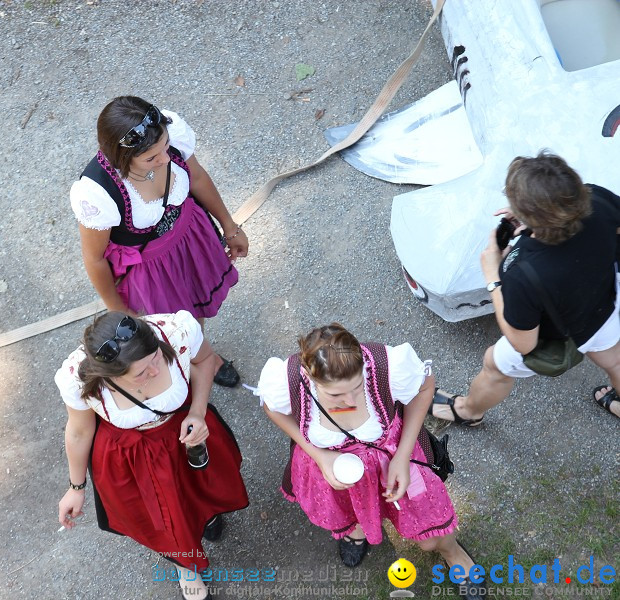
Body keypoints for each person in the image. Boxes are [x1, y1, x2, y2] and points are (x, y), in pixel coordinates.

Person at [255, 323, 482, 599]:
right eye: (335, 395)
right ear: (311, 379)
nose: (349, 400)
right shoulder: (288, 381)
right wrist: (318, 454)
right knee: (350, 507)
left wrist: (401, 456)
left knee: (430, 533)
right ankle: (359, 528)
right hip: (338, 470)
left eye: (356, 387)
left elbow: (425, 388)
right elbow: (271, 407)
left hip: (391, 462)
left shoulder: (387, 365)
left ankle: (452, 551)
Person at [55, 310, 249, 600]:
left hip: (182, 432)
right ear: (111, 378)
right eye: (142, 373)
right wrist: (76, 487)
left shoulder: (176, 330)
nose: (156, 370)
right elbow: (80, 432)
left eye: (156, 357)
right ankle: (186, 567)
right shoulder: (77, 379)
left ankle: (204, 518)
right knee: (162, 518)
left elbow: (205, 360)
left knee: (201, 488)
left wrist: (198, 411)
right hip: (132, 456)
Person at [430, 152, 620, 425]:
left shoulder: (523, 275)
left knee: (494, 365)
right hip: (604, 308)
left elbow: (523, 342)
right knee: (615, 361)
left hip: (559, 332)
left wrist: (493, 278)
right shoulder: (597, 200)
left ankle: (468, 411)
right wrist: (539, 219)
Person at [70, 96, 247, 387]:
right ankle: (189, 361)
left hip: (191, 238)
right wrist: (119, 310)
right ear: (122, 159)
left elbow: (198, 177)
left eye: (165, 147)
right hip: (151, 268)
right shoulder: (98, 193)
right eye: (151, 158)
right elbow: (95, 258)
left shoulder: (167, 134)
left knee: (195, 305)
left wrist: (229, 226)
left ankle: (202, 356)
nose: (165, 158)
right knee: (168, 325)